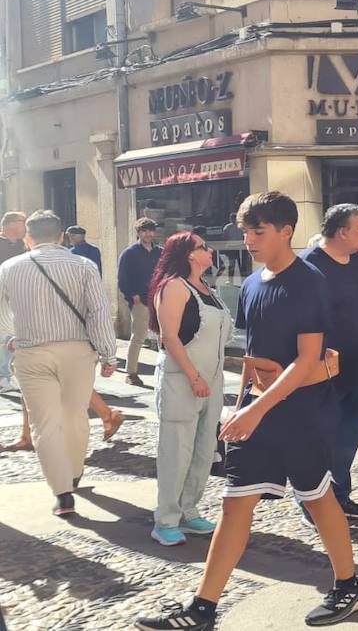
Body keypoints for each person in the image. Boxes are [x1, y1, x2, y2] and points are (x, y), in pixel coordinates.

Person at [136, 192, 358, 630]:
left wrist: (256, 409)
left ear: (286, 231)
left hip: (303, 412)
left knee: (318, 498)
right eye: (244, 231)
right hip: (260, 411)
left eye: (257, 231)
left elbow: (306, 359)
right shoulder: (251, 283)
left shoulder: (308, 281)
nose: (247, 240)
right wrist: (239, 405)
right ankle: (202, 609)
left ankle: (349, 584)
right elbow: (255, 357)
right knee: (234, 504)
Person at [0, 210, 118, 516]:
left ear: (29, 237)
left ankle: (63, 493)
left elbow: (2, 318)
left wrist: (16, 334)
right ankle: (75, 474)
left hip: (31, 353)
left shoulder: (9, 268)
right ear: (62, 237)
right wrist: (108, 354)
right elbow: (99, 312)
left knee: (44, 424)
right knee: (76, 416)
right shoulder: (83, 265)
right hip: (77, 352)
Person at [148, 231, 232, 546]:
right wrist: (193, 376)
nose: (210, 250)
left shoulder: (207, 289)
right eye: (202, 247)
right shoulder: (173, 287)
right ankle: (165, 519)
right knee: (176, 451)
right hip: (181, 380)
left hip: (210, 380)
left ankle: (189, 510)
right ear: (189, 254)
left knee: (203, 449)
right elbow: (169, 337)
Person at [301, 204, 358, 521]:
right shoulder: (309, 266)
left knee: (348, 438)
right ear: (342, 232)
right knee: (320, 438)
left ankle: (339, 495)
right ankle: (312, 501)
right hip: (323, 373)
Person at [117, 218, 163, 386]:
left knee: (164, 336)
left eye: (151, 230)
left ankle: (164, 371)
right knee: (138, 337)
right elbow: (122, 278)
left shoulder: (160, 252)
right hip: (140, 301)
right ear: (138, 233)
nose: (148, 233)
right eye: (144, 230)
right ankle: (131, 373)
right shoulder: (129, 253)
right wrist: (132, 295)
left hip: (160, 299)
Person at [0, 211, 27, 395]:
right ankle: (3, 376)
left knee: (9, 337)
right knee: (5, 336)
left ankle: (5, 374)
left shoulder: (21, 245)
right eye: (22, 222)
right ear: (11, 224)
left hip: (16, 296)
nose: (25, 226)